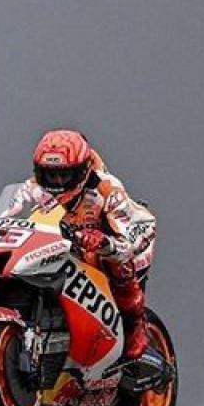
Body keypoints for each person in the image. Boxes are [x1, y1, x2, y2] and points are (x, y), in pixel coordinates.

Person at [21, 129, 157, 360]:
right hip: (59, 253)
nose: (57, 182)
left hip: (108, 252)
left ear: (82, 170)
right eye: (50, 175)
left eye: (65, 175)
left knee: (115, 263)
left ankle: (135, 324)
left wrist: (107, 243)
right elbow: (5, 217)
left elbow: (143, 225)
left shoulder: (106, 188)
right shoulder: (31, 190)